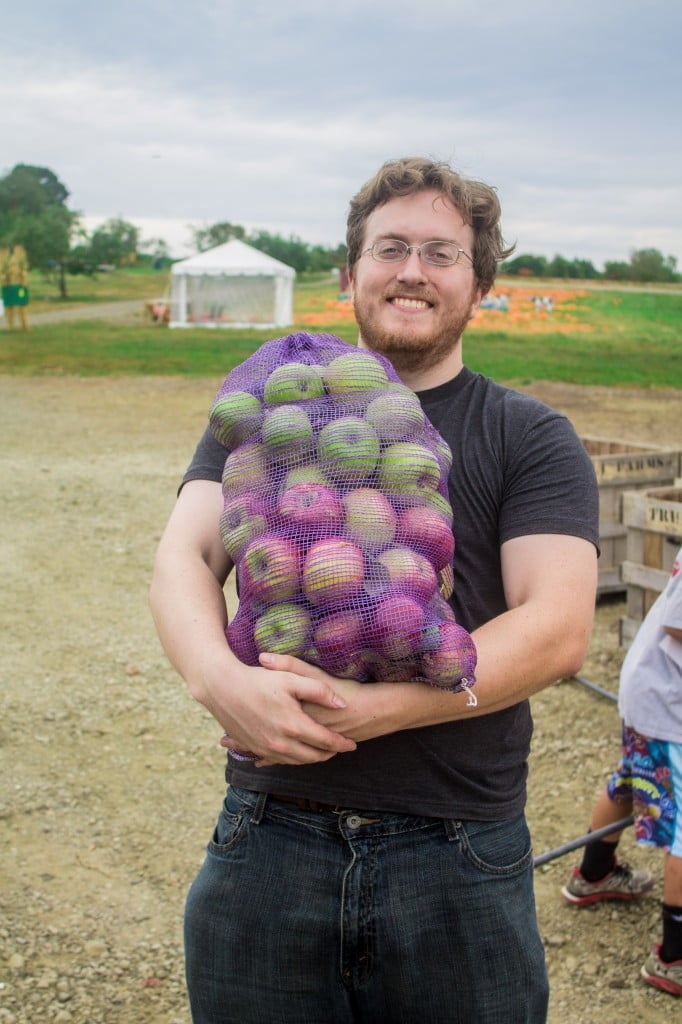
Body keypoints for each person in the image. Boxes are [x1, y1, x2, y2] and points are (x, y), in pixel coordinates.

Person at [150, 156, 600, 1023]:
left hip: (458, 851)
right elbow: (183, 560)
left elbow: (556, 626)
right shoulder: (276, 415)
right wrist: (221, 683)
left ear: (479, 285)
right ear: (351, 273)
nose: (413, 271)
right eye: (391, 248)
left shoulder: (527, 433)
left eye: (442, 253)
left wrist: (381, 711)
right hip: (270, 835)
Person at [562, 545, 682, 997]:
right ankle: (674, 956)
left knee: (632, 781)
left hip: (651, 687)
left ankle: (594, 873)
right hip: (669, 703)